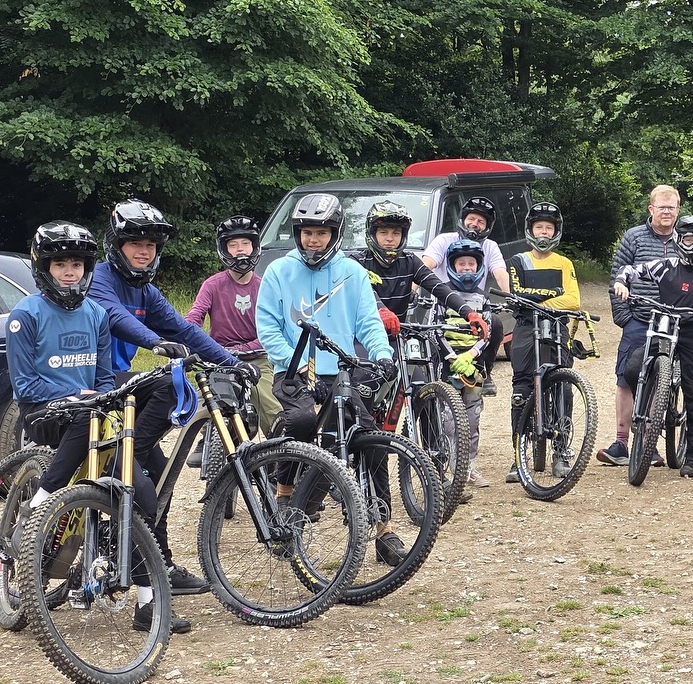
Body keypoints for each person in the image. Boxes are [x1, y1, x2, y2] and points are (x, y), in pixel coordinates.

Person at [5, 222, 188, 633]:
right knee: (91, 412)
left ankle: (146, 605)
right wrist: (81, 397)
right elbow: (25, 385)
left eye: (76, 264)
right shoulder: (25, 315)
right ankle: (41, 501)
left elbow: (105, 379)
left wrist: (98, 398)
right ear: (43, 268)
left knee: (141, 496)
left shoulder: (95, 314)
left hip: (90, 415)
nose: (69, 272)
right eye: (59, 264)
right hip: (46, 415)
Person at [90, 199, 244, 597]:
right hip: (94, 383)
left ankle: (160, 563)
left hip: (119, 385)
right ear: (116, 244)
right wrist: (156, 342)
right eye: (135, 242)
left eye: (152, 245)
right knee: (167, 385)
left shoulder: (148, 292)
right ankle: (132, 451)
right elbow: (113, 317)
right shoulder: (100, 278)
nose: (144, 251)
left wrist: (231, 362)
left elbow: (187, 331)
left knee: (158, 477)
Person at [254, 192, 406, 566]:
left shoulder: (351, 272)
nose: (313, 239)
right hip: (294, 369)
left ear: (334, 233)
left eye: (321, 232)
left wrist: (383, 357)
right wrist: (299, 367)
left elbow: (368, 321)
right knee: (303, 420)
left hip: (340, 369)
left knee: (370, 438)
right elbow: (268, 327)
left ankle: (383, 529)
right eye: (306, 232)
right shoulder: (278, 271)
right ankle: (285, 494)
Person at [352, 201, 488, 487]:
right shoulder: (358, 262)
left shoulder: (410, 262)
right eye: (384, 232)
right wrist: (381, 311)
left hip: (399, 334)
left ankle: (435, 472)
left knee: (423, 391)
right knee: (363, 393)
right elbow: (364, 293)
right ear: (372, 234)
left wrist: (468, 312)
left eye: (396, 233)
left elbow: (440, 288)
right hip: (362, 336)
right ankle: (352, 460)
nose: (390, 238)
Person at [612, 215, 693, 479]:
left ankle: (692, 457)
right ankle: (647, 412)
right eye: (689, 240)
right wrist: (621, 284)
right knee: (634, 368)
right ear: (679, 240)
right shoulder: (664, 266)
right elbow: (630, 271)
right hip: (665, 328)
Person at [597, 185, 680, 467]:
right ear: (651, 209)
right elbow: (616, 276)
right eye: (662, 206)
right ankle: (621, 442)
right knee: (626, 377)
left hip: (672, 322)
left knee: (661, 378)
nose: (667, 211)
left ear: (678, 210)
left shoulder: (686, 240)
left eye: (672, 207)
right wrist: (624, 316)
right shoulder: (634, 237)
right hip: (638, 319)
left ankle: (649, 441)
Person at [184, 216, 280, 445]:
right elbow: (194, 318)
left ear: (254, 247)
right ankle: (208, 440)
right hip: (218, 359)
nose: (240, 250)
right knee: (201, 402)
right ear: (224, 249)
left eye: (245, 244)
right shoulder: (213, 284)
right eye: (233, 245)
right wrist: (187, 339)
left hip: (256, 359)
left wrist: (242, 350)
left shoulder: (264, 285)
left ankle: (282, 448)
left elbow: (273, 329)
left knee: (267, 399)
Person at [505, 202, 581, 482]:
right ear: (530, 230)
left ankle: (561, 452)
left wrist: (539, 300)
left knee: (563, 384)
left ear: (556, 231)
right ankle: (518, 456)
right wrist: (553, 293)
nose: (544, 233)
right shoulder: (517, 261)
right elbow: (516, 295)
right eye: (540, 227)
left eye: (549, 228)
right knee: (521, 388)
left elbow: (573, 300)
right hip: (526, 328)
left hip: (556, 327)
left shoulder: (564, 263)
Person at [422, 197, 510, 396]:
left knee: (494, 324)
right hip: (444, 303)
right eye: (471, 219)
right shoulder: (444, 240)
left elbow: (499, 272)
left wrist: (510, 296)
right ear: (463, 219)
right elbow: (426, 265)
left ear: (487, 227)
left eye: (481, 222)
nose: (475, 225)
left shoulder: (490, 246)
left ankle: (484, 369)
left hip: (476, 305)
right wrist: (409, 290)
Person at [441, 238, 494, 486]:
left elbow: (489, 332)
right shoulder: (442, 295)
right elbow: (434, 330)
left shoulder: (483, 299)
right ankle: (447, 467)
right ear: (452, 266)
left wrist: (470, 356)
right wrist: (452, 357)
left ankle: (469, 467)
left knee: (472, 419)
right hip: (448, 366)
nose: (466, 268)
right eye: (461, 263)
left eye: (470, 263)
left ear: (479, 266)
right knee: (449, 421)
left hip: (473, 367)